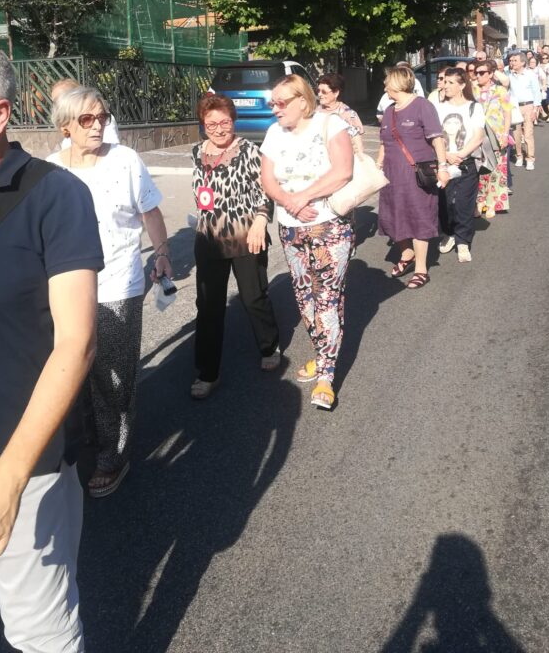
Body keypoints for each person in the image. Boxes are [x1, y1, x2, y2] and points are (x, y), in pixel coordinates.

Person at [0, 42, 102, 653]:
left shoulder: (55, 197)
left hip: (22, 473)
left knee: (40, 636)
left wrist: (5, 487)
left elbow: (76, 345)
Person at [49, 86, 171, 498]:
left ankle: (113, 456)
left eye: (102, 116)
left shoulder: (124, 161)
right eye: (87, 119)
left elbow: (149, 210)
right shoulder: (49, 171)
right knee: (71, 370)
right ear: (65, 125)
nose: (98, 125)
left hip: (118, 283)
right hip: (65, 291)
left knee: (112, 377)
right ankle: (86, 438)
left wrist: (163, 252)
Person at [260, 76, 353, 411]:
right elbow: (267, 178)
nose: (275, 109)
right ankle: (321, 351)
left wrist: (303, 197)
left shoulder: (331, 124)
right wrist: (288, 200)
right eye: (272, 103)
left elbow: (343, 171)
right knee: (305, 298)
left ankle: (327, 376)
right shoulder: (274, 134)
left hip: (329, 226)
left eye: (281, 102)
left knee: (327, 298)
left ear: (303, 100)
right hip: (290, 229)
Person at [188, 95, 281, 399]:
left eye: (224, 122)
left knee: (254, 297)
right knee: (208, 306)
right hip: (209, 240)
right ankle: (208, 372)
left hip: (246, 235)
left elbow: (265, 189)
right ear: (203, 125)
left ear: (233, 121)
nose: (219, 129)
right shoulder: (196, 152)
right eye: (211, 123)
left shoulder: (250, 151)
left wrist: (260, 220)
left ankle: (269, 346)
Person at [377, 65, 449, 286]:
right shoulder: (389, 110)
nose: (384, 85)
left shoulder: (422, 106)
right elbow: (384, 142)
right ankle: (407, 254)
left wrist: (443, 167)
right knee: (395, 215)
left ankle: (421, 269)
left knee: (418, 216)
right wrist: (378, 165)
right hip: (391, 175)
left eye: (387, 81)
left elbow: (437, 139)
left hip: (416, 175)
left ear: (398, 83)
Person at [433, 68, 485, 260]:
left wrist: (460, 155)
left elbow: (478, 137)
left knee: (464, 202)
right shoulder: (437, 108)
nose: (445, 86)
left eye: (450, 82)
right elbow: (432, 136)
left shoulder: (474, 107)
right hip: (443, 162)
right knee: (444, 203)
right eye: (444, 82)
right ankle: (449, 233)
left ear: (462, 85)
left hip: (466, 162)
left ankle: (463, 241)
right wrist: (445, 155)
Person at [474, 60, 512, 218]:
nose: (478, 75)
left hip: (496, 136)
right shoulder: (472, 90)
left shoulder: (500, 90)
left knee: (495, 173)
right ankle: (480, 206)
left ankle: (492, 205)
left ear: (490, 74)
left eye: (482, 73)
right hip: (477, 137)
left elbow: (507, 113)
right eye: (476, 73)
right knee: (480, 174)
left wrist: (504, 134)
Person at [51, 77, 120, 146]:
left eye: (58, 100)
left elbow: (112, 149)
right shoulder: (61, 150)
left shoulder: (102, 119)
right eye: (54, 102)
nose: (98, 126)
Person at [507, 51, 541, 169]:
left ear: (522, 62)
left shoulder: (530, 74)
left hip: (528, 106)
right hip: (515, 107)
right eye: (511, 61)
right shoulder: (509, 76)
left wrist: (535, 109)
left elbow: (537, 92)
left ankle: (530, 158)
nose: (512, 63)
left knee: (528, 133)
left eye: (515, 61)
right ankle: (519, 156)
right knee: (516, 134)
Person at [316, 72, 365, 154]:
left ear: (336, 93)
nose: (319, 94)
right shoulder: (315, 112)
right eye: (318, 90)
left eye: (324, 92)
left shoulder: (349, 115)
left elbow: (358, 147)